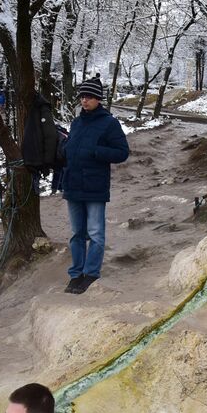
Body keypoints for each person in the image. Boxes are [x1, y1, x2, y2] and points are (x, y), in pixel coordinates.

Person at [61, 77, 129, 295]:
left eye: (89, 97)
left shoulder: (110, 123)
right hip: (73, 185)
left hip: (95, 186)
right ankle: (76, 274)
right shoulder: (77, 122)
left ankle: (91, 274)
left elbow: (122, 152)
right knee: (76, 234)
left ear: (98, 99)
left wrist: (97, 151)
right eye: (82, 96)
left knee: (95, 233)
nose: (84, 100)